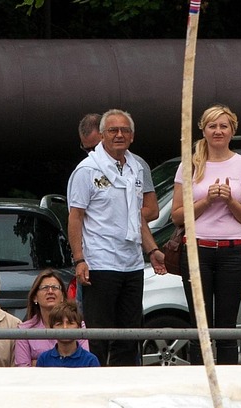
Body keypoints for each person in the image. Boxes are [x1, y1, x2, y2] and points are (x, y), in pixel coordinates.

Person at [67, 108, 167, 366]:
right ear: (102, 135)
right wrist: (79, 259)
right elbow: (75, 217)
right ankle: (97, 387)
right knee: (99, 336)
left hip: (132, 264)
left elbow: (137, 215)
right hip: (100, 263)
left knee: (130, 335)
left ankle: (125, 386)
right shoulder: (87, 170)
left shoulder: (136, 167)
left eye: (124, 130)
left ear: (132, 136)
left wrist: (152, 250)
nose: (119, 135)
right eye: (113, 130)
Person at [172, 104, 241, 365]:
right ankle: (200, 379)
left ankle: (227, 382)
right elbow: (177, 215)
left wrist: (231, 202)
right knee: (199, 322)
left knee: (226, 326)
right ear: (203, 130)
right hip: (197, 248)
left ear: (232, 130)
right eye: (212, 126)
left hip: (232, 250)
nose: (218, 131)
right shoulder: (189, 165)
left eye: (223, 126)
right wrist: (206, 201)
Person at [79, 111, 158, 216]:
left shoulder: (137, 165)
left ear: (105, 135)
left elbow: (152, 211)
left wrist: (116, 221)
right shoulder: (85, 169)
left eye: (96, 147)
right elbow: (77, 216)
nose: (92, 153)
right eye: (87, 149)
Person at [14, 269, 90, 367]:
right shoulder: (24, 330)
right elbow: (23, 370)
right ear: (35, 297)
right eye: (45, 288)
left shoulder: (78, 324)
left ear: (62, 295)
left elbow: (84, 363)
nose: (50, 291)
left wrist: (38, 364)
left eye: (55, 287)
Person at [36, 301, 100, 369]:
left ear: (79, 327)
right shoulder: (43, 359)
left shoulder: (90, 360)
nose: (65, 327)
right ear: (52, 328)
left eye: (70, 323)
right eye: (59, 324)